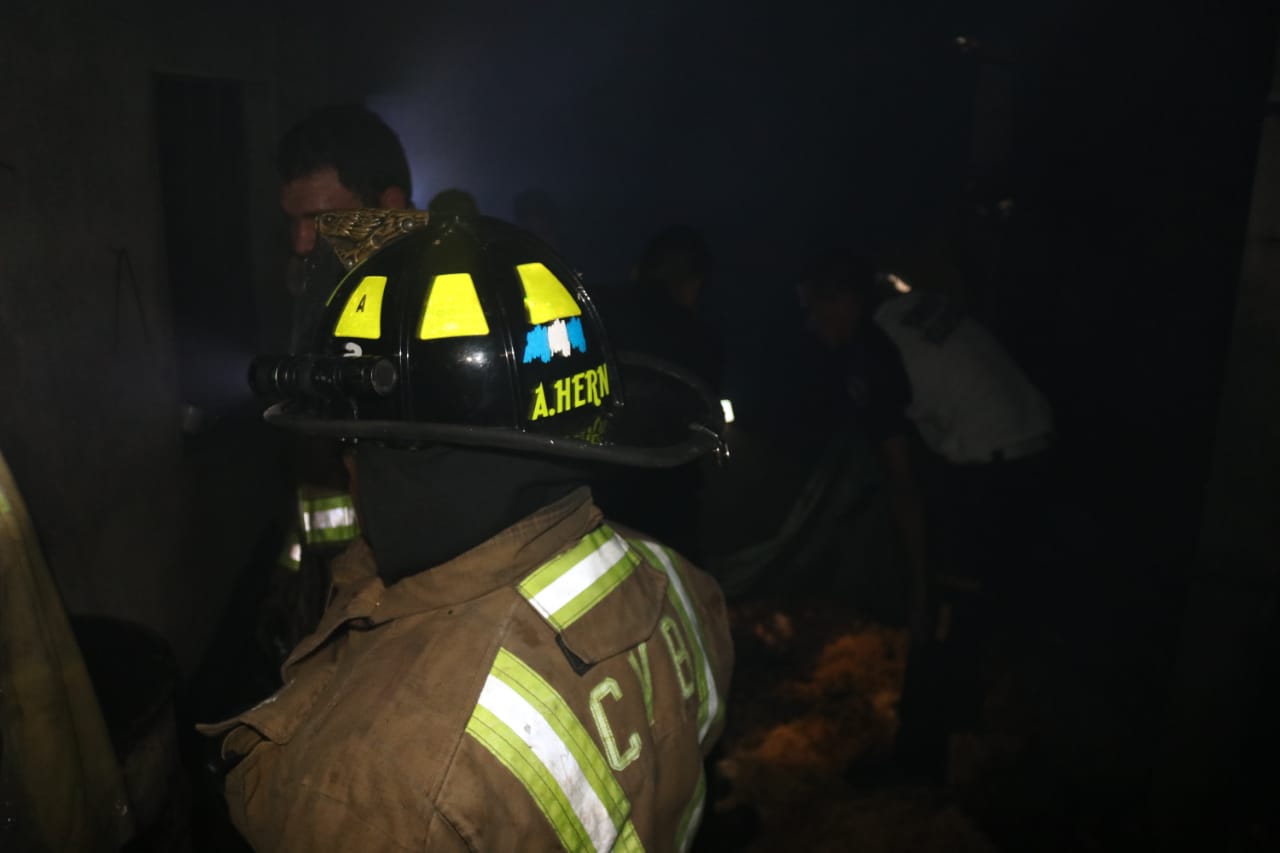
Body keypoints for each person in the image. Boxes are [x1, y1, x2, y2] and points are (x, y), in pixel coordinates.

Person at [200, 209, 733, 851]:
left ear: (408, 461)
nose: (347, 469)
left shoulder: (375, 786)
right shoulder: (678, 580)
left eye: (355, 444)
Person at [798, 250, 1054, 780]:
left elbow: (902, 485)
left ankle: (918, 759)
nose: (811, 325)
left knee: (941, 611)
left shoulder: (871, 354)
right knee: (980, 603)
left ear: (844, 300)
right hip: (1038, 443)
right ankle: (973, 723)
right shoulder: (911, 305)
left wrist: (918, 586)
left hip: (993, 465)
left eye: (815, 309)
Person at [591, 225, 725, 561]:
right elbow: (702, 420)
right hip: (668, 504)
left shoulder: (594, 308)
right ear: (692, 282)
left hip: (592, 494)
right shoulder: (701, 337)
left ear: (639, 270)